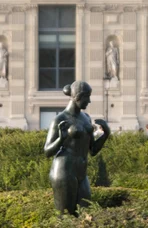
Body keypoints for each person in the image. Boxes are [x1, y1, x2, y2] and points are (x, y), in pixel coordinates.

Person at [44, 81, 110, 215]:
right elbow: (47, 151)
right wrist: (61, 139)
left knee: (85, 213)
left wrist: (105, 134)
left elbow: (92, 150)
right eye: (87, 97)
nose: (89, 101)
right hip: (64, 171)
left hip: (81, 172)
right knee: (66, 216)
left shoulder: (86, 118)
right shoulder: (60, 119)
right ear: (77, 97)